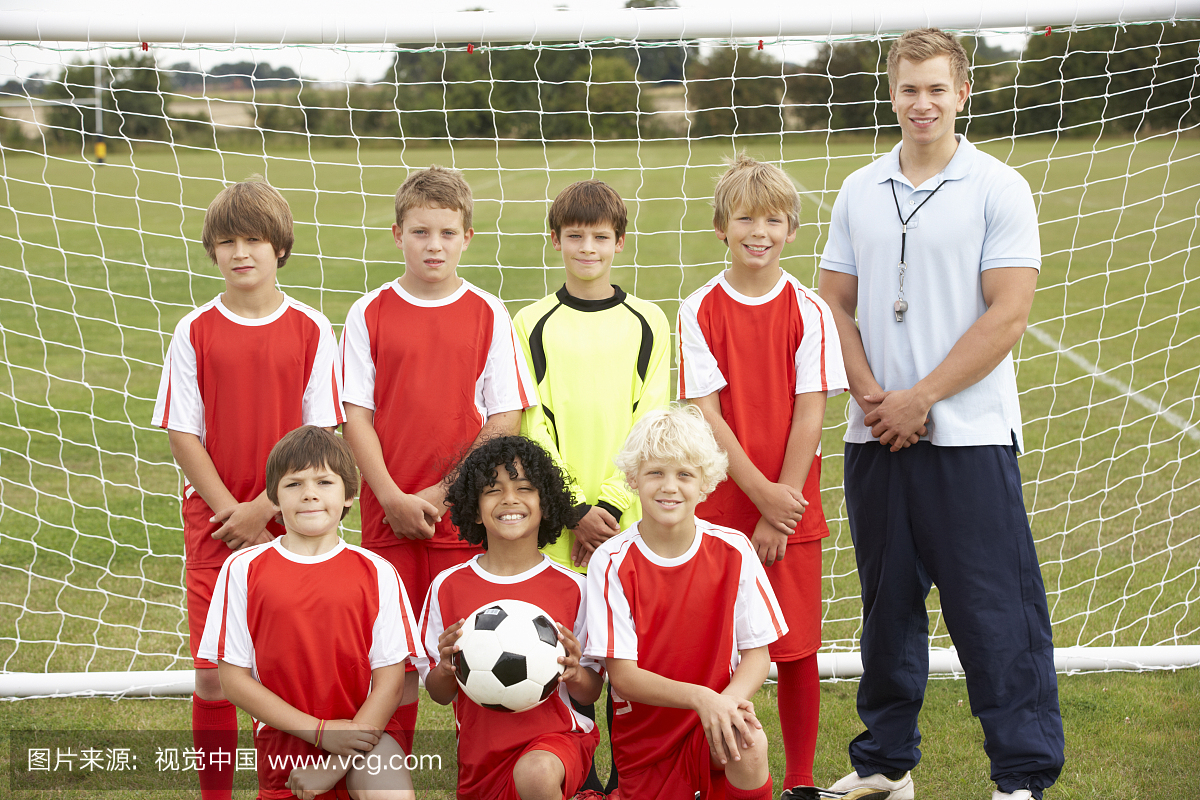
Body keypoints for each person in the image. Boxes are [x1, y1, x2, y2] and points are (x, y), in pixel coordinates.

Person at [817, 28, 1065, 800]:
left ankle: (1020, 776)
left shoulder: (999, 186)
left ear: (963, 93)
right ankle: (886, 763)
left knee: (994, 611)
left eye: (936, 89)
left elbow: (1008, 314)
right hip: (876, 436)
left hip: (969, 436)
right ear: (891, 93)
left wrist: (920, 398)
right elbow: (833, 303)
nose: (921, 103)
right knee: (885, 611)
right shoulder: (860, 187)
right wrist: (872, 398)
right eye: (908, 88)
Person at [151, 179, 344, 800]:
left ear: (279, 248)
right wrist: (232, 513)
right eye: (226, 241)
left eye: (254, 240)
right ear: (212, 251)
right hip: (213, 522)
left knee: (287, 672)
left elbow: (322, 433)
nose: (241, 253)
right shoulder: (195, 330)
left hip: (299, 518)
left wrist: (266, 508)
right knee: (213, 675)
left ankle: (280, 787)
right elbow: (183, 432)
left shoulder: (313, 329)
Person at [342, 164, 537, 749]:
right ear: (397, 234)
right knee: (394, 671)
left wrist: (438, 494)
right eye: (421, 232)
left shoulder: (488, 312)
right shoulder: (368, 313)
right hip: (388, 521)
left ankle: (482, 779)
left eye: (447, 233)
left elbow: (505, 418)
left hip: (462, 519)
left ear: (467, 238)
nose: (434, 245)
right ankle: (389, 776)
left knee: (478, 658)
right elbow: (356, 416)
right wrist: (393, 498)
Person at [677, 154, 847, 797]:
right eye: (745, 218)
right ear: (722, 226)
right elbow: (708, 414)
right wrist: (759, 501)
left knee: (796, 650)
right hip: (723, 509)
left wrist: (785, 505)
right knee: (718, 652)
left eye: (773, 220)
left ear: (792, 229)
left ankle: (800, 782)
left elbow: (811, 412)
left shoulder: (810, 310)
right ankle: (711, 775)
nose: (759, 232)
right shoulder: (699, 309)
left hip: (792, 505)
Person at [513, 178, 671, 798]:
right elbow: (533, 422)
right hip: (558, 525)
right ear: (555, 241)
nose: (587, 248)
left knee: (624, 648)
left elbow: (649, 420)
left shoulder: (649, 322)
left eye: (599, 238)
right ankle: (580, 768)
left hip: (628, 517)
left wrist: (610, 505)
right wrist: (574, 508)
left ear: (620, 244)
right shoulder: (529, 322)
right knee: (566, 652)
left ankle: (627, 775)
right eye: (574, 236)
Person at [198, 425, 419, 800]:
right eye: (294, 484)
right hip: (288, 764)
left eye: (324, 482)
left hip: (365, 744)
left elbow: (390, 684)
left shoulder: (377, 571)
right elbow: (234, 681)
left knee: (384, 777)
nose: (310, 495)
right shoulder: (243, 569)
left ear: (349, 494)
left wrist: (334, 761)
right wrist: (319, 733)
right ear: (274, 497)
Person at [585, 404, 784, 800]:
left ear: (705, 482)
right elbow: (623, 676)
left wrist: (724, 705)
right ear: (633, 479)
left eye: (684, 475)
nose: (669, 486)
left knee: (748, 739)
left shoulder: (734, 550)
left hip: (713, 723)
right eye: (655, 472)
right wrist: (701, 698)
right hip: (646, 745)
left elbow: (758, 656)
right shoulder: (610, 562)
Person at [418, 435, 604, 800]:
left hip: (555, 743)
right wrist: (444, 667)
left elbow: (591, 690)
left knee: (534, 774)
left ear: (546, 504)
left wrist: (576, 670)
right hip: (481, 757)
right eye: (493, 490)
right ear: (473, 507)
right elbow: (440, 695)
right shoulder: (448, 587)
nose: (509, 499)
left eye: (525, 488)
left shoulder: (574, 589)